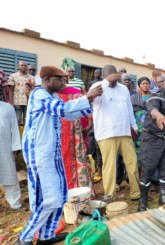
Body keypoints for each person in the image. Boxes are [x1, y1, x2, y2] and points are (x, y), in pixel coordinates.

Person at [18, 66, 102, 245]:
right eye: (61, 79)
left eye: (66, 79)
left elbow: (70, 114)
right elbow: (62, 110)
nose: (65, 82)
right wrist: (86, 96)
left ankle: (45, 236)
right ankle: (23, 239)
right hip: (39, 156)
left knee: (60, 196)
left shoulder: (52, 97)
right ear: (47, 79)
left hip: (51, 155)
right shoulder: (38, 94)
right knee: (48, 199)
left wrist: (91, 100)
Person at [90, 65, 140, 200]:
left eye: (115, 76)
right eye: (110, 76)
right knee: (110, 167)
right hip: (106, 133)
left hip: (124, 131)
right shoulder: (98, 86)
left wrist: (134, 126)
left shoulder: (123, 89)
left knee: (132, 163)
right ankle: (109, 196)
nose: (114, 79)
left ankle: (136, 194)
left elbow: (129, 109)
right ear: (103, 76)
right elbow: (93, 100)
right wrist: (107, 81)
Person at [137, 73, 165, 212]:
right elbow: (152, 108)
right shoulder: (156, 94)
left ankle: (163, 198)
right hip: (152, 138)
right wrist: (159, 115)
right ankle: (143, 201)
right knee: (148, 168)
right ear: (163, 83)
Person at [58, 85, 93, 190]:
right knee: (79, 158)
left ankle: (66, 190)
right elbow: (89, 111)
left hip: (64, 132)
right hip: (75, 132)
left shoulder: (52, 96)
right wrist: (89, 125)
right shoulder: (77, 94)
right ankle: (83, 188)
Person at [0, 101, 25, 211]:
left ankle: (15, 203)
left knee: (9, 174)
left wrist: (16, 146)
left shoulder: (7, 108)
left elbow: (14, 128)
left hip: (4, 146)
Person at [8, 61, 36, 125]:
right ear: (18, 66)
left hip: (28, 103)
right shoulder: (13, 76)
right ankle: (17, 135)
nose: (24, 67)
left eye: (25, 65)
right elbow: (10, 90)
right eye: (22, 65)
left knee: (27, 121)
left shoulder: (32, 78)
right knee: (17, 121)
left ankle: (25, 135)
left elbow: (34, 90)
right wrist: (11, 103)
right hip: (17, 102)